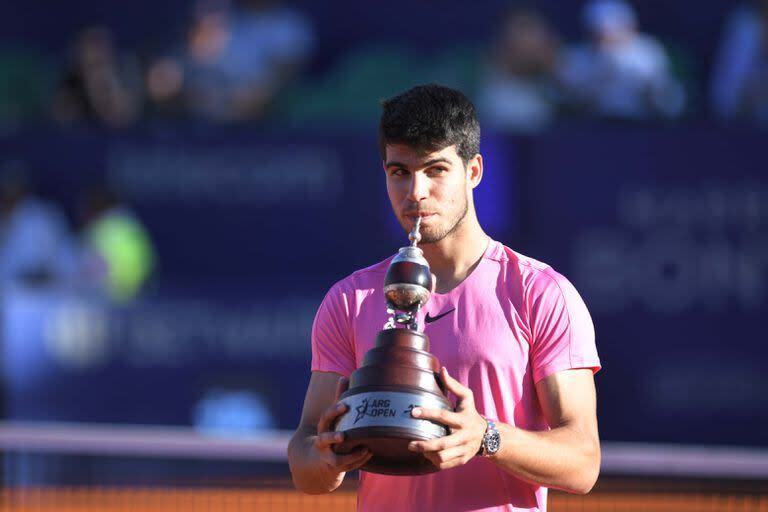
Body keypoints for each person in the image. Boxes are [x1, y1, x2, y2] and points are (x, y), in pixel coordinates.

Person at [287, 84, 601, 511]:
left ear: (473, 171)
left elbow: (583, 461)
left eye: (435, 170)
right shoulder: (350, 300)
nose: (415, 192)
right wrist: (325, 457)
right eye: (399, 172)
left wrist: (487, 436)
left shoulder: (540, 293)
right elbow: (305, 457)